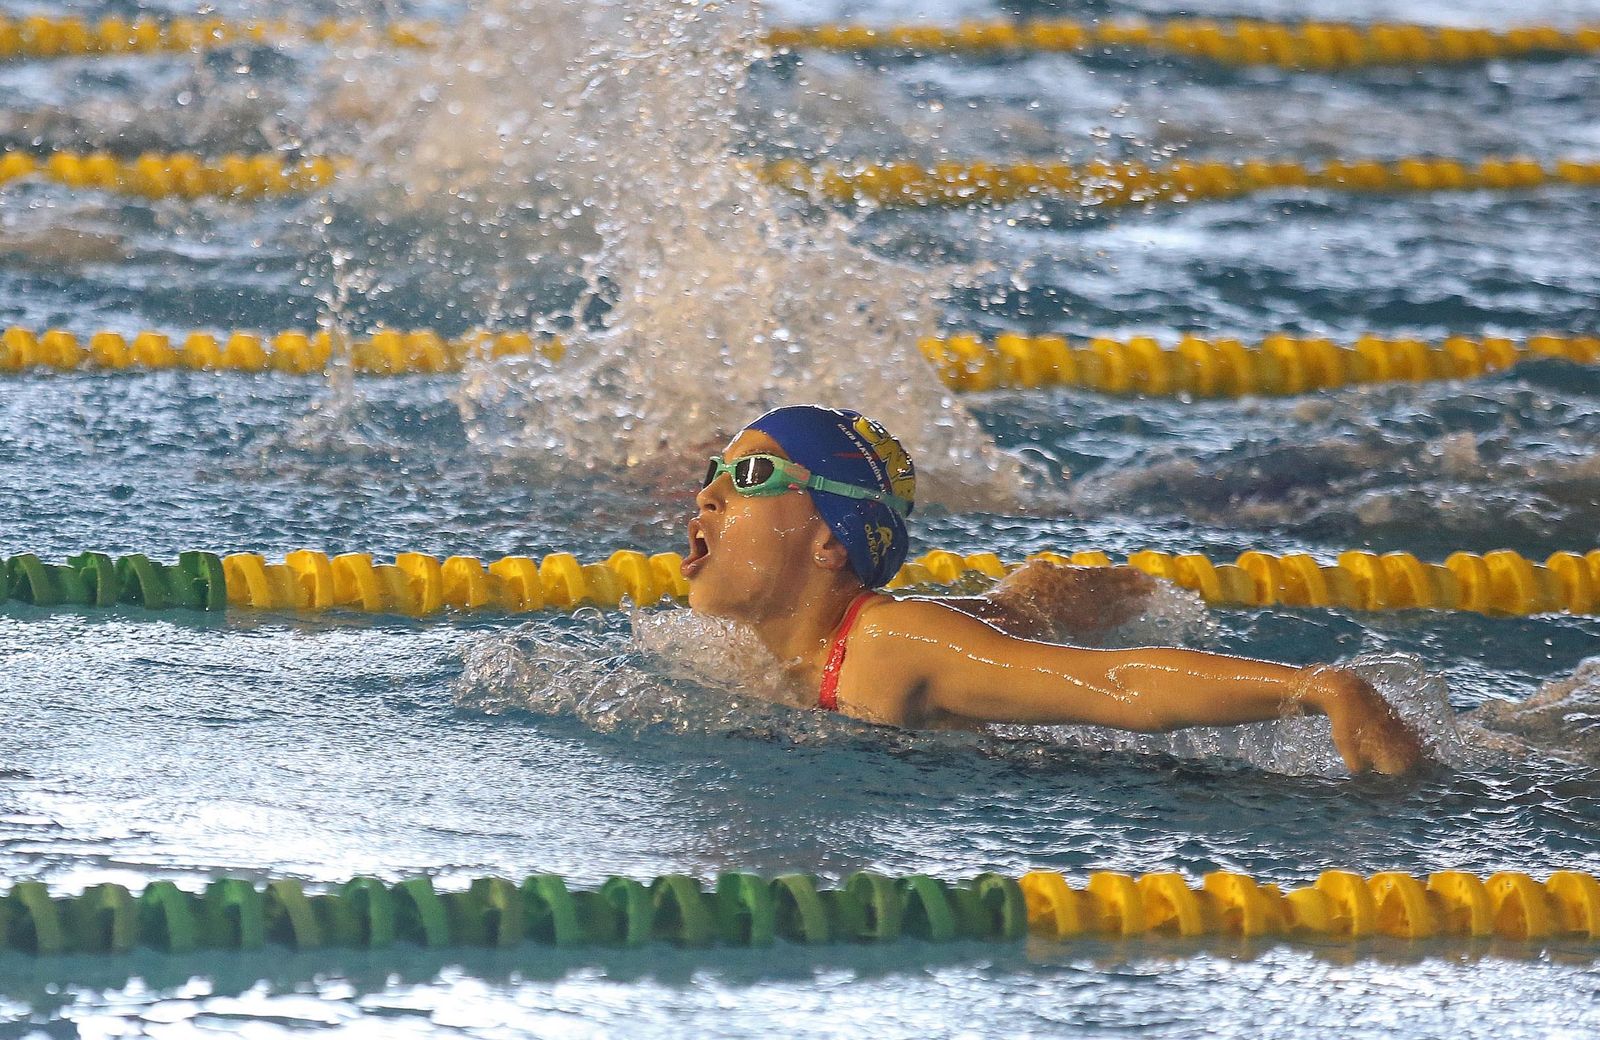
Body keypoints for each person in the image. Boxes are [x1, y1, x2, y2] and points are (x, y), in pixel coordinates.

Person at [682, 404, 1426, 775]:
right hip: (999, 622)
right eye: (714, 471)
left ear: (830, 541)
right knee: (1018, 607)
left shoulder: (888, 646)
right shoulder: (734, 653)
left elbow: (1120, 686)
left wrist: (1321, 688)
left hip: (980, 636)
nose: (707, 496)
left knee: (1022, 613)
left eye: (749, 475)